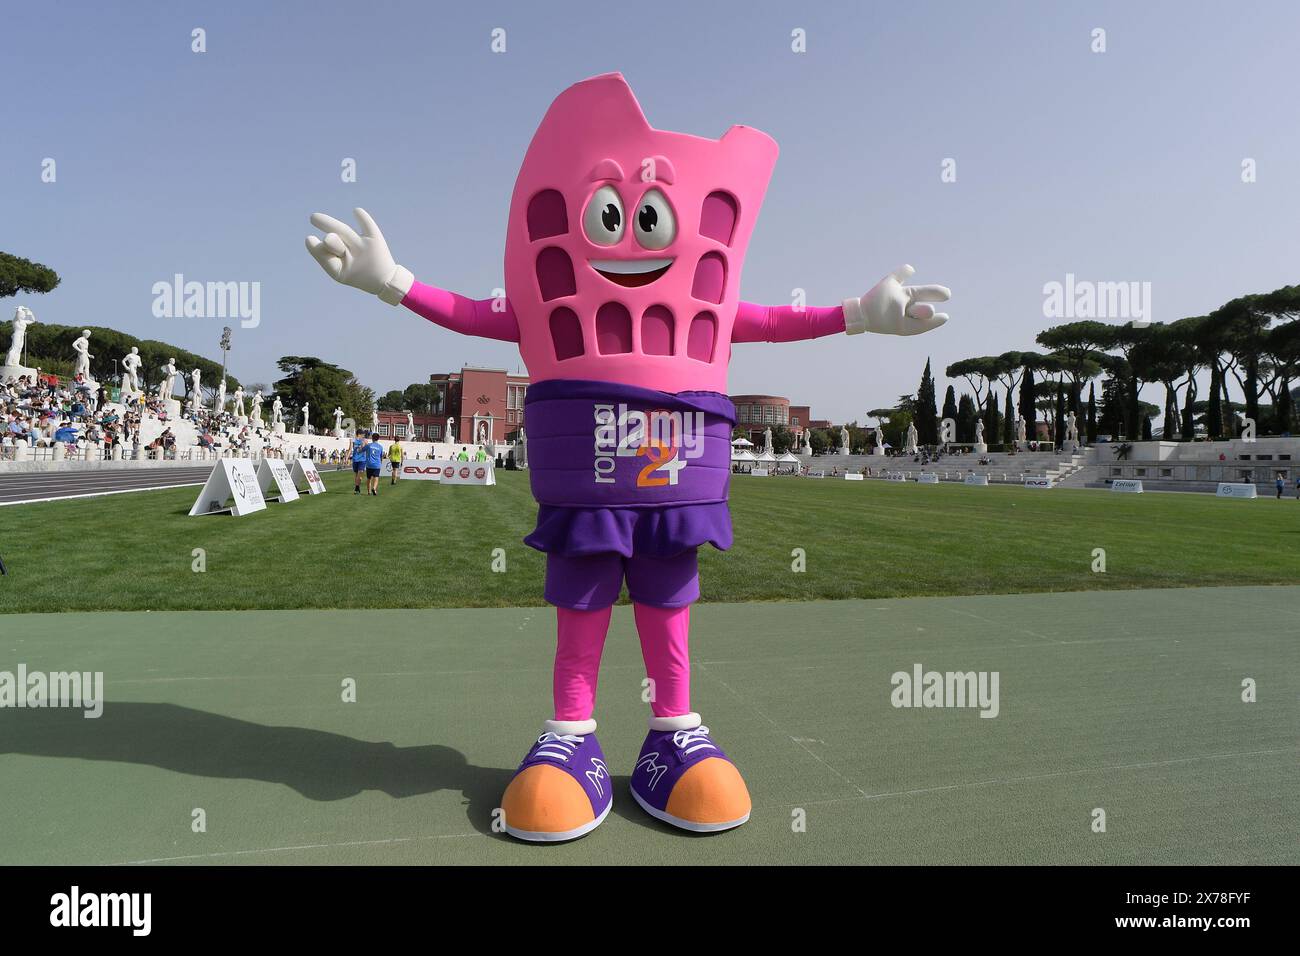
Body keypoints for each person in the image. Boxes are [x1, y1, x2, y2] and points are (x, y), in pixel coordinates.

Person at [349, 427, 367, 494]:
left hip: (362, 459)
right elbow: (350, 449)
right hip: (355, 459)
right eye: (362, 434)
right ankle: (357, 488)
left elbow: (367, 449)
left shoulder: (365, 441)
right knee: (356, 475)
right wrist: (346, 458)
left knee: (360, 474)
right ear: (358, 434)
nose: (363, 436)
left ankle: (356, 487)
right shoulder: (352, 440)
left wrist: (362, 446)